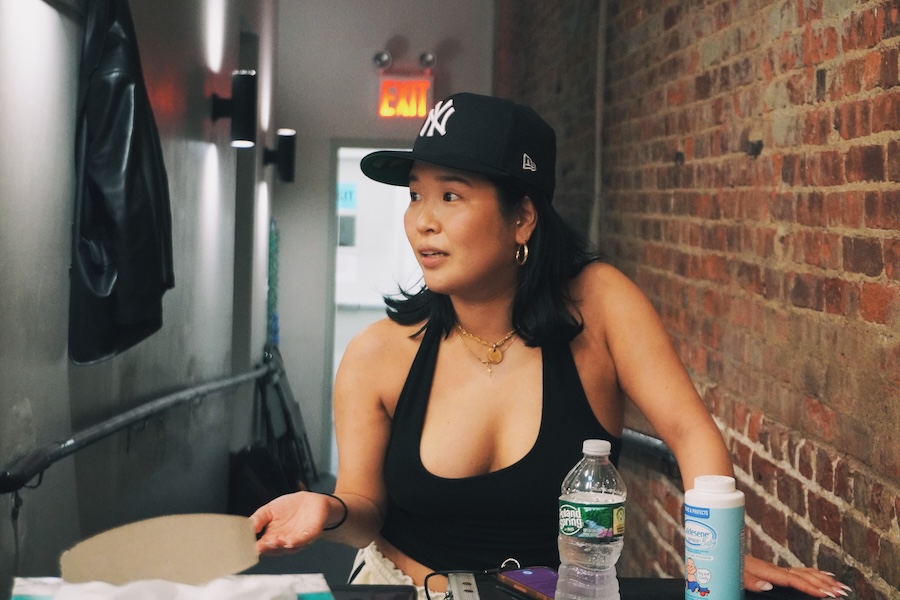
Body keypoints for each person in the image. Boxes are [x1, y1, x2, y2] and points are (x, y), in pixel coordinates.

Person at [250, 92, 850, 600]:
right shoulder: (377, 355)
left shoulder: (600, 305)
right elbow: (364, 511)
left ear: (523, 218)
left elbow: (690, 431)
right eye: (414, 195)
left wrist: (717, 554)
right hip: (404, 588)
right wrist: (327, 509)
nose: (422, 221)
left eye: (450, 195)